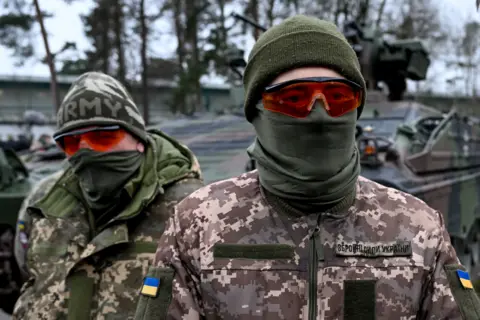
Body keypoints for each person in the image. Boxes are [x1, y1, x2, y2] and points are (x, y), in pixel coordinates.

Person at [134, 16, 480, 320]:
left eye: (339, 97)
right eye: (293, 99)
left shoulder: (419, 226)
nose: (319, 114)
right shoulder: (197, 225)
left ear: (356, 108)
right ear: (257, 110)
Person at [12, 71, 204, 320]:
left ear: (138, 139)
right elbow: (29, 276)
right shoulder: (44, 204)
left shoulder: (193, 207)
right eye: (70, 142)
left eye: (102, 137)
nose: (85, 150)